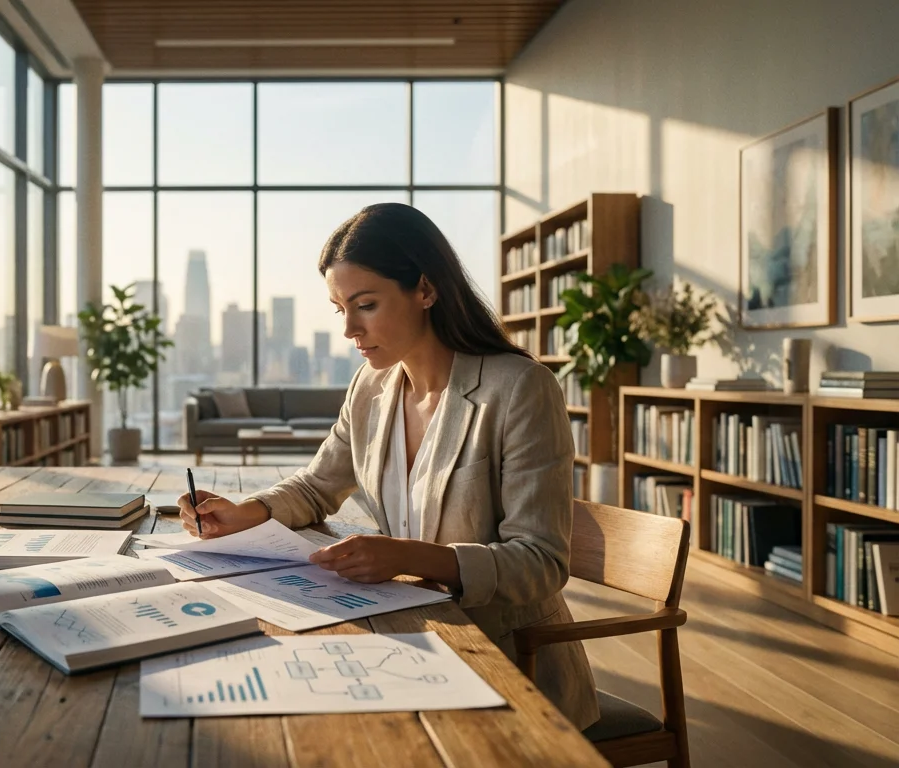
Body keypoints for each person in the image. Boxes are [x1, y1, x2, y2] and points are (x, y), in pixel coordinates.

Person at [176, 202, 598, 729]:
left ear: (425, 289)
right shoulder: (371, 387)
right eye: (339, 309)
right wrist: (249, 512)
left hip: (509, 661)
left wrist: (411, 556)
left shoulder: (519, 390)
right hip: (406, 635)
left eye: (366, 304)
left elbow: (540, 562)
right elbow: (317, 485)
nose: (350, 328)